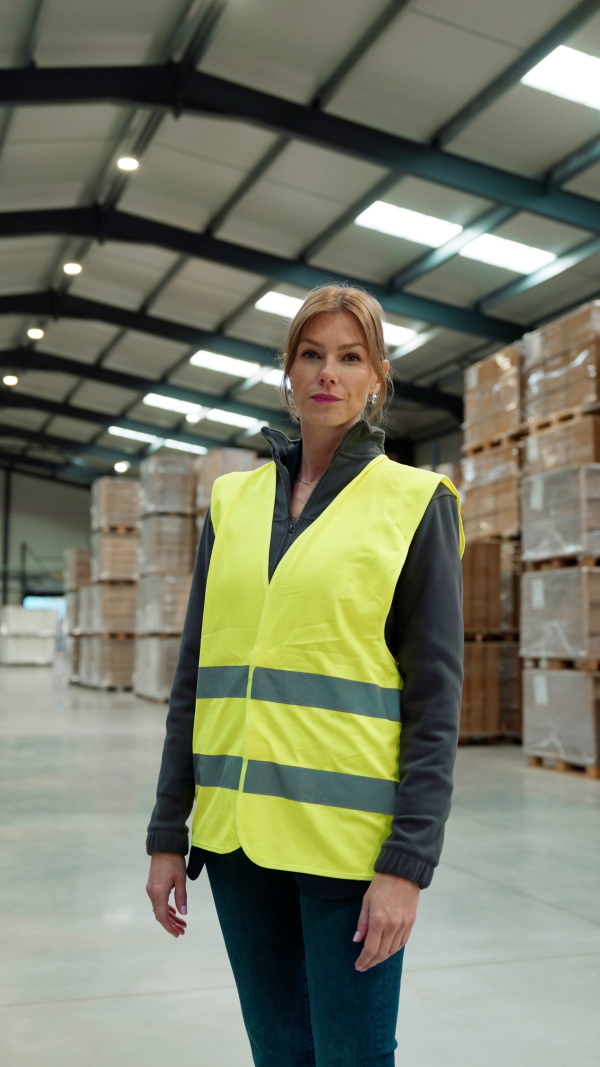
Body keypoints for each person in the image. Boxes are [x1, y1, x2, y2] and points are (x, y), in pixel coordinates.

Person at [146, 284, 464, 1067]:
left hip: (348, 854)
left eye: (350, 357)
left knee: (352, 1055)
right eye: (312, 354)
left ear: (377, 377)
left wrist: (408, 864)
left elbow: (436, 699)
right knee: (279, 1053)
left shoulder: (416, 503)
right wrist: (166, 830)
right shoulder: (233, 502)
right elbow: (195, 674)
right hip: (236, 843)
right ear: (286, 372)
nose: (329, 372)